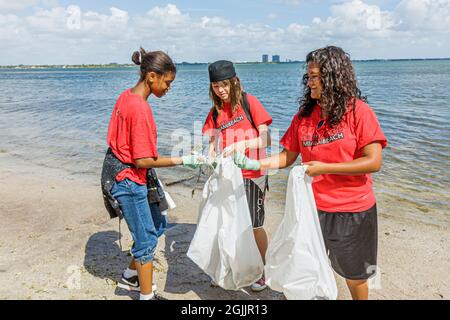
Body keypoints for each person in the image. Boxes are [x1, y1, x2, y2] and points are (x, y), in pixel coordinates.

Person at [233, 46, 387, 300]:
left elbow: (373, 161)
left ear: (334, 77)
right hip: (312, 209)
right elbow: (288, 157)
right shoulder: (304, 117)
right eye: (309, 76)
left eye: (315, 76)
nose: (310, 82)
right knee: (306, 267)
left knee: (355, 275)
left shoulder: (358, 112)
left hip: (353, 209)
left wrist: (325, 168)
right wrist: (254, 165)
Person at [106, 47, 203, 300]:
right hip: (127, 179)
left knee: (158, 224)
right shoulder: (140, 109)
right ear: (151, 76)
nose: (169, 88)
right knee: (147, 241)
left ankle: (130, 276)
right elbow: (142, 159)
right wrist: (185, 159)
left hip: (124, 171)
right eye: (167, 82)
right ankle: (146, 295)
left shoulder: (126, 96)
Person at [202, 60, 273, 291]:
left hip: (253, 173)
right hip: (228, 176)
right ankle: (231, 266)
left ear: (234, 81)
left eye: (224, 85)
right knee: (229, 223)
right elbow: (212, 145)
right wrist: (207, 158)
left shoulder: (249, 102)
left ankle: (263, 270)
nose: (221, 90)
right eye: (216, 86)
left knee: (253, 224)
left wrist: (244, 144)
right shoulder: (215, 112)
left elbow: (266, 139)